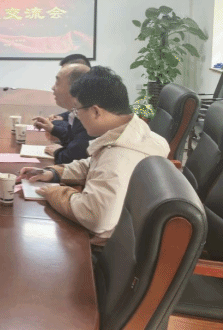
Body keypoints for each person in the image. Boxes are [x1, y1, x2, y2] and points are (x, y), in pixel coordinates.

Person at [19, 66, 169, 245]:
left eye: (77, 110)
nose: (77, 117)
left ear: (96, 111)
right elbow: (93, 164)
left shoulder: (118, 158)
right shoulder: (134, 134)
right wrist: (53, 173)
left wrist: (54, 192)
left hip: (111, 248)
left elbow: (94, 216)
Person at [31, 63, 95, 164]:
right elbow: (72, 140)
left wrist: (58, 152)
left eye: (57, 82)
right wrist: (52, 129)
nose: (52, 87)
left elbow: (71, 158)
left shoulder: (88, 115)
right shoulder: (76, 111)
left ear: (74, 87)